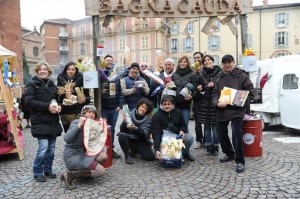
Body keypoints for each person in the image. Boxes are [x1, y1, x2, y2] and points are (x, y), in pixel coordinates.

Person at [212, 54, 255, 173]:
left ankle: (240, 161)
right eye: (224, 62)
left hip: (237, 109)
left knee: (236, 133)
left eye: (229, 62)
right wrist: (217, 103)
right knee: (221, 133)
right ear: (222, 64)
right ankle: (229, 153)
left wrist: (237, 98)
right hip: (222, 109)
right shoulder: (219, 77)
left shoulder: (241, 75)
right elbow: (215, 93)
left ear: (234, 62)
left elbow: (251, 92)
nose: (227, 65)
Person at [24, 62, 63, 182]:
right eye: (40, 69)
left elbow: (56, 100)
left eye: (45, 69)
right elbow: (29, 101)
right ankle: (37, 172)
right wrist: (47, 107)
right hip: (40, 120)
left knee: (51, 148)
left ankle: (48, 170)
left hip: (52, 121)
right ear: (37, 71)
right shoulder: (32, 84)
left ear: (48, 71)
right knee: (43, 147)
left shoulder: (53, 85)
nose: (42, 71)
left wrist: (59, 106)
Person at [61, 105, 108, 190]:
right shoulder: (76, 122)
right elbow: (66, 138)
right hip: (73, 155)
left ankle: (85, 171)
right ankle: (70, 174)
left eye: (93, 113)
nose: (91, 115)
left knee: (103, 156)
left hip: (85, 153)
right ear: (83, 113)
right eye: (89, 112)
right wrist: (79, 125)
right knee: (100, 171)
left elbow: (96, 142)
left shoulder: (94, 125)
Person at [151, 95, 195, 161]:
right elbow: (156, 133)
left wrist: (181, 130)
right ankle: (162, 153)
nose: (167, 106)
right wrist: (157, 149)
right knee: (163, 158)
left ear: (173, 104)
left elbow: (183, 126)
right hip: (163, 139)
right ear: (161, 105)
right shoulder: (156, 115)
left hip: (176, 137)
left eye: (169, 104)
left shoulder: (178, 112)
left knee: (189, 138)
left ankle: (183, 154)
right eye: (164, 104)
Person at [195, 55, 221, 155]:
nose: (207, 61)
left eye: (209, 60)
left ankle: (216, 147)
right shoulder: (201, 73)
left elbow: (221, 85)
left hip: (215, 103)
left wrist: (214, 84)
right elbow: (199, 86)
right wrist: (200, 87)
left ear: (213, 61)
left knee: (215, 129)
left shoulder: (219, 72)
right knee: (206, 128)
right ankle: (209, 147)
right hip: (204, 104)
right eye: (205, 60)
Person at [100, 54, 123, 159]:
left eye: (111, 60)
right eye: (107, 60)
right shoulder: (100, 73)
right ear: (104, 62)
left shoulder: (117, 75)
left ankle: (111, 149)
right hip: (103, 107)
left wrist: (120, 105)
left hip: (114, 108)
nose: (110, 62)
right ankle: (102, 149)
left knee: (112, 129)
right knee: (103, 129)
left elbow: (120, 91)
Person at [118, 98, 155, 164]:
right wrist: (124, 122)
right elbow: (122, 130)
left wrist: (135, 128)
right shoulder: (129, 114)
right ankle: (127, 156)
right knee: (121, 136)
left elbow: (145, 134)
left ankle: (135, 150)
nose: (143, 109)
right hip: (130, 139)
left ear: (147, 110)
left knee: (150, 157)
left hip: (140, 140)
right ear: (138, 106)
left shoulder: (148, 119)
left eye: (145, 108)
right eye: (142, 106)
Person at [57, 62, 90, 132]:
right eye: (68, 69)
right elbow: (58, 98)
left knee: (78, 134)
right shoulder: (60, 80)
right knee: (69, 134)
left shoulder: (82, 80)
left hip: (78, 112)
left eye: (73, 69)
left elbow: (87, 97)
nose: (70, 71)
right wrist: (65, 96)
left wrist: (84, 100)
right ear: (65, 70)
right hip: (66, 113)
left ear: (76, 71)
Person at [172, 55, 197, 129]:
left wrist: (191, 96)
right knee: (175, 125)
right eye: (181, 62)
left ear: (187, 63)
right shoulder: (174, 74)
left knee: (184, 125)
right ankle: (176, 140)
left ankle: (184, 139)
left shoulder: (192, 74)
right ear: (178, 63)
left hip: (186, 104)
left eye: (184, 62)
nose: (182, 63)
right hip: (175, 104)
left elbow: (195, 88)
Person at [192, 52, 205, 149]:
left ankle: (207, 140)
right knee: (197, 122)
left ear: (202, 58)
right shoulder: (193, 70)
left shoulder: (205, 69)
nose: (196, 59)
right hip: (196, 98)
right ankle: (199, 140)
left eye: (198, 57)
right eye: (195, 58)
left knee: (207, 121)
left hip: (205, 98)